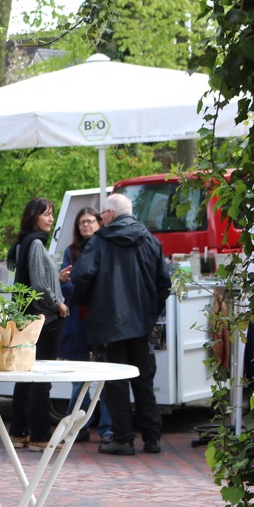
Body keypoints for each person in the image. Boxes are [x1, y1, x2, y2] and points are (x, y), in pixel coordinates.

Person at [71, 193, 171, 455]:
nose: (101, 219)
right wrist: (151, 312)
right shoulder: (150, 240)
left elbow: (82, 275)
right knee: (144, 381)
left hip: (109, 324)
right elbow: (164, 282)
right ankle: (152, 437)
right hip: (141, 324)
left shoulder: (100, 242)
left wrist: (83, 302)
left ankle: (123, 438)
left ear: (111, 215)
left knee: (116, 384)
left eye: (102, 215)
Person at [5, 198, 68, 450]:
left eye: (52, 214)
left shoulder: (23, 242)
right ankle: (40, 436)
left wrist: (57, 278)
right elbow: (39, 286)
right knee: (42, 378)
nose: (50, 219)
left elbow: (36, 279)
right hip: (44, 321)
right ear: (33, 217)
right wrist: (58, 304)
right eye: (46, 214)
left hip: (27, 320)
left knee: (25, 376)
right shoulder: (36, 244)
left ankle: (18, 432)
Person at [58, 207, 113, 443]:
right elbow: (65, 285)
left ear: (99, 224)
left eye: (90, 221)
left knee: (106, 378)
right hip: (77, 324)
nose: (86, 225)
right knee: (79, 380)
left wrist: (81, 288)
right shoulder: (71, 252)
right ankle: (77, 427)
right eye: (82, 222)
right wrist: (65, 282)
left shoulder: (107, 248)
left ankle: (107, 429)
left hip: (102, 321)